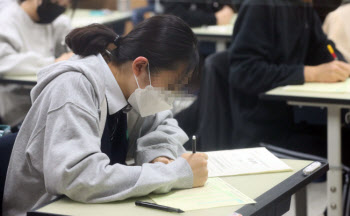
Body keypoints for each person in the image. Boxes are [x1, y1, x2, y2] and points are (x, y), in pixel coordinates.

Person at [2, 15, 208, 216]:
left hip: (91, 206)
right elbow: (77, 177)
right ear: (140, 66)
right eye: (171, 86)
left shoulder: (132, 88)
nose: (170, 97)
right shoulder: (74, 88)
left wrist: (158, 156)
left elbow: (164, 124)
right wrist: (173, 174)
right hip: (46, 208)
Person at [228, 0, 350, 154]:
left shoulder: (304, 7)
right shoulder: (260, 6)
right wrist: (310, 73)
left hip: (295, 121)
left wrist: (341, 65)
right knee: (343, 150)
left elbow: (322, 49)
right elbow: (243, 71)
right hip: (262, 133)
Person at [0, 0, 74, 127]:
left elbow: (71, 51)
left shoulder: (56, 22)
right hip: (18, 109)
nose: (64, 4)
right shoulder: (7, 21)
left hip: (48, 102)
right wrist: (53, 62)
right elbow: (4, 61)